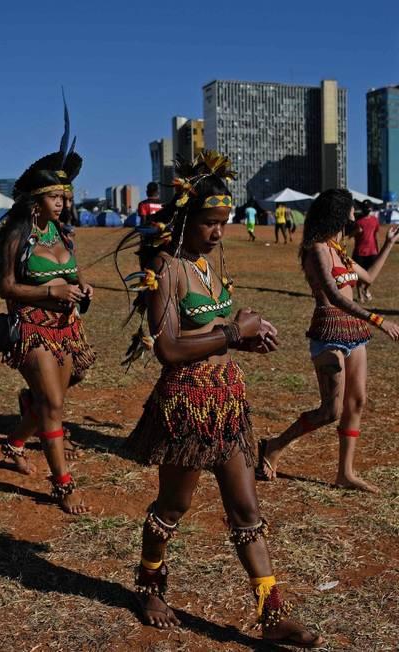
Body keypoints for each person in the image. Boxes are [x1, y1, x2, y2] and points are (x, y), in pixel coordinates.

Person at [118, 150, 322, 648]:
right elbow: (167, 348)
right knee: (174, 505)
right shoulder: (166, 270)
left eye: (223, 223)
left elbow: (213, 329)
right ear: (187, 219)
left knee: (246, 508)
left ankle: (272, 613)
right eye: (210, 222)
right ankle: (149, 583)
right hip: (186, 406)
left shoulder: (211, 268)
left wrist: (248, 339)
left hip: (227, 403)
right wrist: (232, 332)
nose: (217, 232)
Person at [257, 189, 399, 493]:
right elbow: (334, 296)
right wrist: (377, 320)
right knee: (330, 411)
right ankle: (273, 446)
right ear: (337, 213)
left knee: (357, 401)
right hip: (328, 333)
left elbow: (369, 278)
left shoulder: (339, 250)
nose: (355, 215)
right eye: (350, 210)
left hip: (354, 334)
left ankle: (345, 473)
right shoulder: (317, 250)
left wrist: (389, 244)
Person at [0, 144, 95, 514]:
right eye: (55, 196)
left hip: (67, 329)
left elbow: (76, 275)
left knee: (53, 399)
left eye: (64, 197)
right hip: (32, 329)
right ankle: (63, 484)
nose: (62, 203)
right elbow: (7, 286)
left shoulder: (63, 235)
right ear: (36, 199)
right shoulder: (17, 237)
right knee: (53, 404)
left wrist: (83, 289)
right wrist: (49, 290)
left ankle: (15, 442)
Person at [352, 202, 380, 303]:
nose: (368, 210)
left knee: (372, 275)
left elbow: (376, 235)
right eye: (366, 208)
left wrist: (378, 249)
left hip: (372, 251)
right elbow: (350, 235)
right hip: (360, 252)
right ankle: (360, 294)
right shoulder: (358, 221)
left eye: (369, 208)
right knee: (360, 275)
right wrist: (356, 232)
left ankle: (366, 289)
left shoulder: (375, 220)